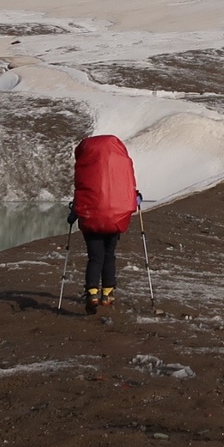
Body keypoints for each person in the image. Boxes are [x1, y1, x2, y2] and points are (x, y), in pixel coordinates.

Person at [70, 133, 140, 314]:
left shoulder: (86, 166)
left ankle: (92, 293)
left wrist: (74, 212)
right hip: (114, 217)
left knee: (95, 257)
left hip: (91, 218)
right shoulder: (120, 166)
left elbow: (81, 190)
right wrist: (136, 198)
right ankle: (107, 293)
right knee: (109, 255)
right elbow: (128, 186)